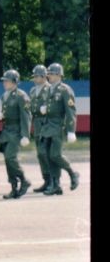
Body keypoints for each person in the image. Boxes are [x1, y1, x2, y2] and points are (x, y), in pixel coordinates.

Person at [38, 63, 79, 194]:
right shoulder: (49, 89)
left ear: (58, 75)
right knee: (46, 155)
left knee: (55, 155)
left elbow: (71, 111)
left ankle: (73, 174)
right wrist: (45, 109)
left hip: (57, 126)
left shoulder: (65, 90)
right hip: (47, 126)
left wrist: (71, 130)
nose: (48, 76)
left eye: (51, 73)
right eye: (48, 74)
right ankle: (55, 184)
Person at [0, 69, 34, 199]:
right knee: (7, 161)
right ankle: (14, 187)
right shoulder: (5, 96)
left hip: (16, 131)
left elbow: (26, 116)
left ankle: (24, 180)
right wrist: (1, 117)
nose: (4, 83)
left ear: (14, 82)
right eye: (4, 81)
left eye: (7, 80)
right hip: (7, 132)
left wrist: (25, 134)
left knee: (10, 158)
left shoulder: (21, 96)